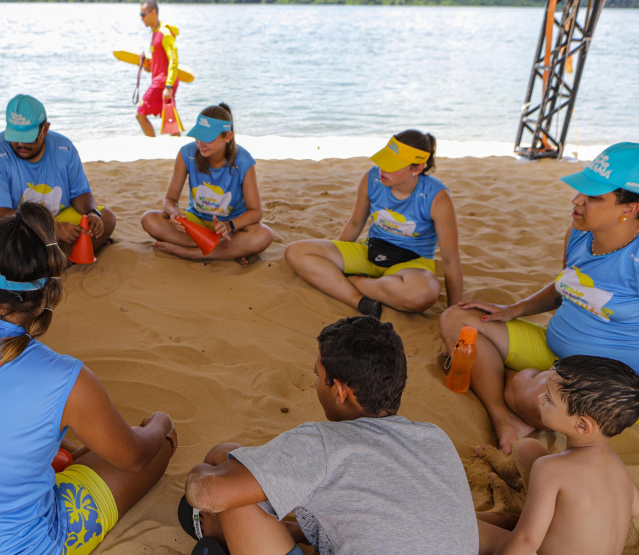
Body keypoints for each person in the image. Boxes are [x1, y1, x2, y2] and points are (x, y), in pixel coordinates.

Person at [0, 202, 177, 554]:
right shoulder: (66, 377)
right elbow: (135, 458)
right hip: (24, 547)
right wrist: (160, 424)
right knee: (157, 448)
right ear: (47, 290)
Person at [179, 316, 477, 555]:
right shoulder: (435, 437)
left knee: (226, 469)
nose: (316, 384)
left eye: (318, 376)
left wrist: (204, 469)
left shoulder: (323, 443)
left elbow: (207, 493)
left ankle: (223, 537)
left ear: (340, 391)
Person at [439, 142, 639, 455]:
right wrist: (514, 309)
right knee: (457, 318)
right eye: (580, 190)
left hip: (604, 377)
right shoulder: (578, 232)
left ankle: (502, 380)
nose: (577, 201)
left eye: (593, 197)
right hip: (554, 348)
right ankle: (503, 414)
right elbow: (568, 284)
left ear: (629, 208)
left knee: (531, 397)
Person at [284, 131, 462, 319]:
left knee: (422, 295)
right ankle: (358, 300)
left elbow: (451, 261)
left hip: (412, 263)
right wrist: (338, 263)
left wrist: (454, 312)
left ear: (417, 168)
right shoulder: (371, 179)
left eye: (392, 165)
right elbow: (355, 223)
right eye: (382, 161)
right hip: (370, 251)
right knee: (295, 252)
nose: (382, 169)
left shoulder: (436, 197)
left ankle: (351, 283)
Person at [477, 355, 639, 555]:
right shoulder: (617, 468)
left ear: (582, 425)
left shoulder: (551, 469)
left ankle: (518, 514)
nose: (539, 398)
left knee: (473, 531)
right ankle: (519, 502)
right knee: (527, 448)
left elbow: (527, 541)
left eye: (548, 398)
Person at [0, 94, 116, 257]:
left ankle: (55, 260)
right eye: (15, 137)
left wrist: (92, 212)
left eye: (28, 138)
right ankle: (58, 257)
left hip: (56, 220)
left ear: (45, 128)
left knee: (107, 218)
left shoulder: (64, 148)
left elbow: (80, 193)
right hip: (7, 227)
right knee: (4, 250)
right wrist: (52, 229)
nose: (21, 144)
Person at [140, 104, 273, 262]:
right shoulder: (186, 154)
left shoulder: (243, 161)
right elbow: (170, 200)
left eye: (208, 138)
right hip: (197, 224)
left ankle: (189, 252)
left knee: (264, 235)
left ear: (227, 136)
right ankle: (225, 250)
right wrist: (175, 214)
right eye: (198, 135)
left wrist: (230, 225)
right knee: (149, 219)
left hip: (230, 229)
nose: (200, 143)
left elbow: (255, 212)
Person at [136, 0, 180, 137]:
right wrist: (151, 67)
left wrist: (168, 85)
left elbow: (173, 59)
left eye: (143, 14)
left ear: (153, 13)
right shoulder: (155, 32)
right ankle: (179, 151)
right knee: (169, 118)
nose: (141, 18)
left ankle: (153, 147)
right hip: (161, 80)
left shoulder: (165, 33)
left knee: (140, 114)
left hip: (163, 83)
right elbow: (163, 60)